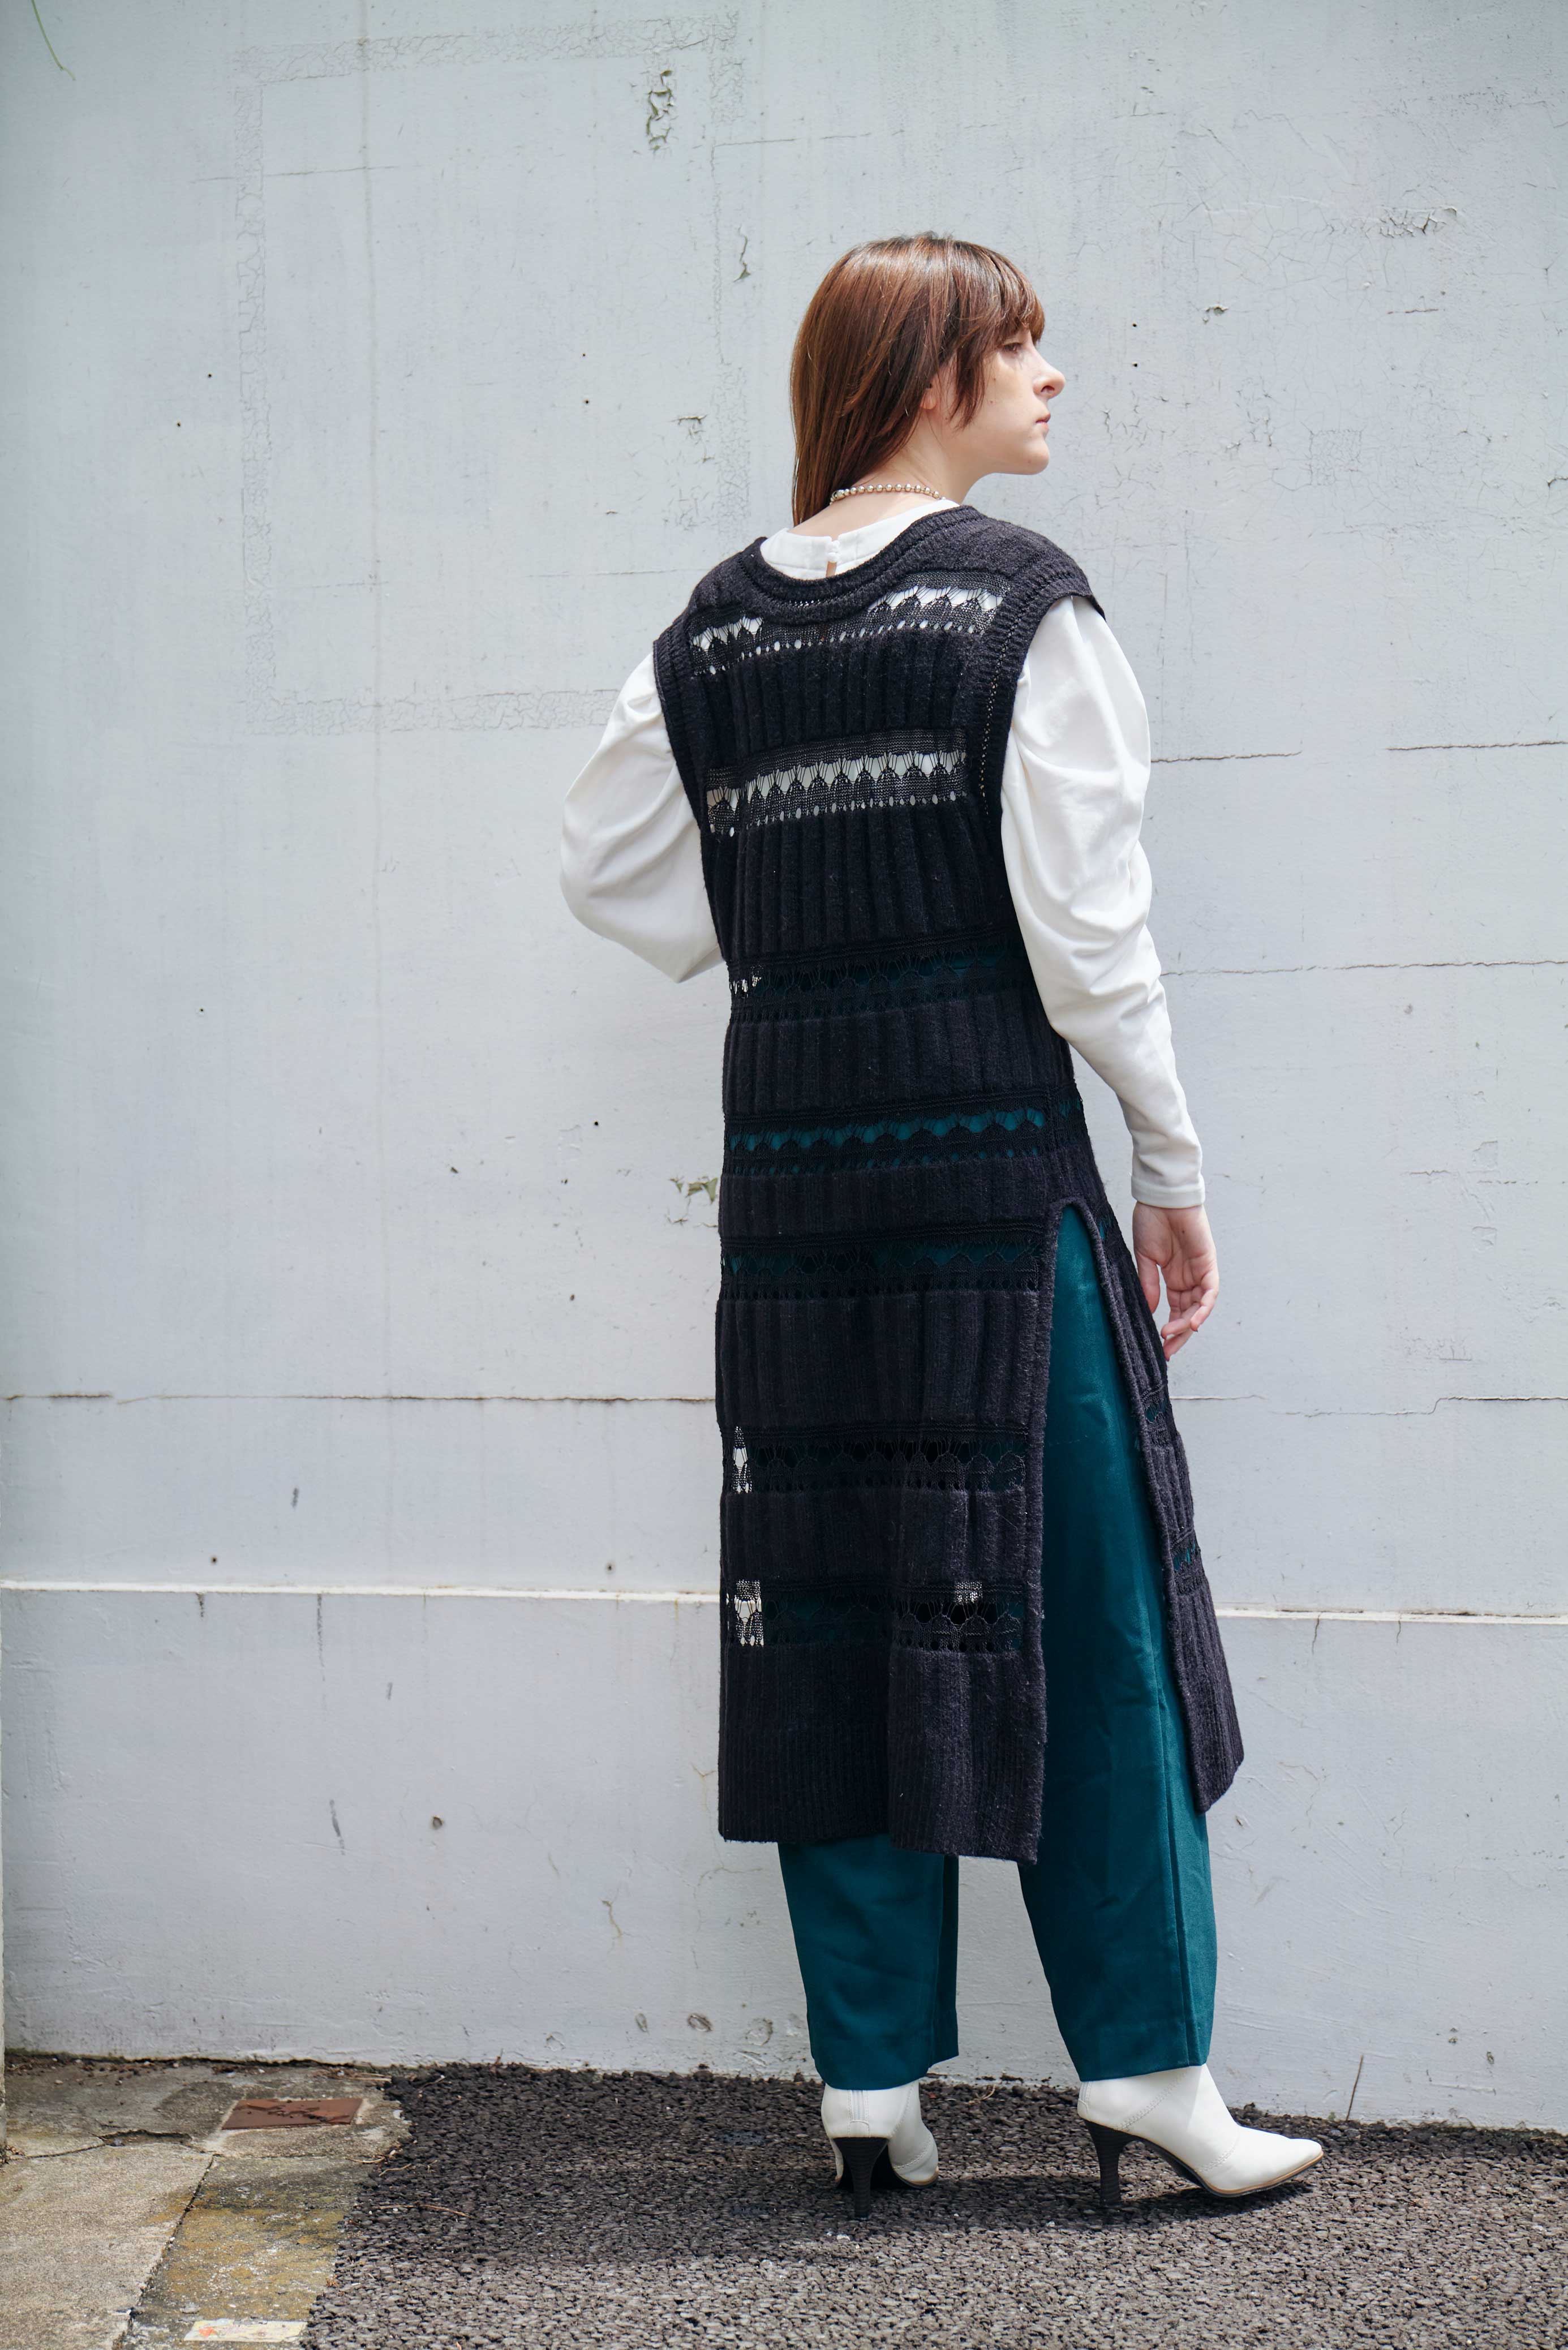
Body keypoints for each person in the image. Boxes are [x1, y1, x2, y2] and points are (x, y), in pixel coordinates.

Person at [560, 233, 1322, 2214]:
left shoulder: (713, 634)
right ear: (927, 379)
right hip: (992, 1195)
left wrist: (802, 908)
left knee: (832, 1607)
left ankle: (869, 2079)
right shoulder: (1020, 607)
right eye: (1020, 346)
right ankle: (1150, 2071)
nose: (1050, 377)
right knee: (1089, 1617)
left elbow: (615, 875)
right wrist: (1171, 1171)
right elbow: (1091, 936)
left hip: (796, 1212)